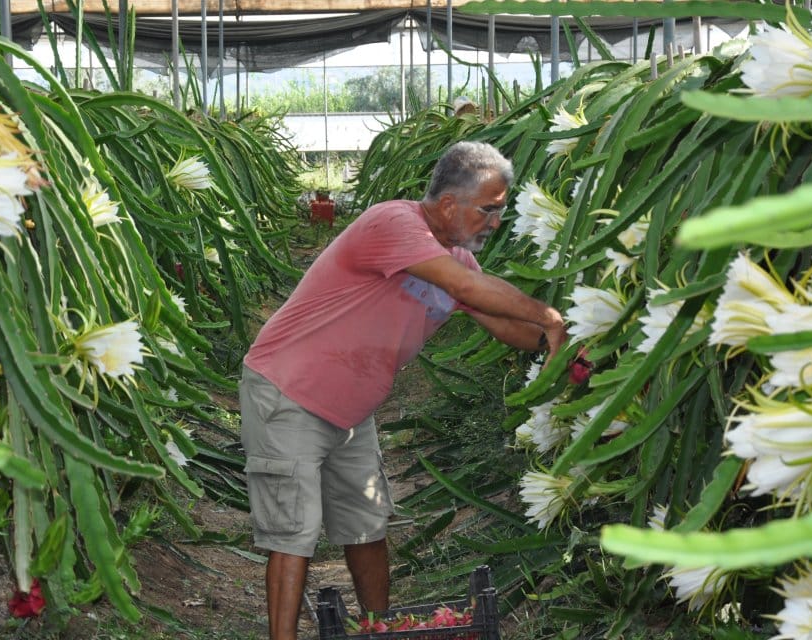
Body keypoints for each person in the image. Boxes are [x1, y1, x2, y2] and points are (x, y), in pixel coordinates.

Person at [239, 141, 569, 640]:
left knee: (367, 525)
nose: (494, 223)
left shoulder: (456, 260)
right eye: (489, 210)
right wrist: (548, 316)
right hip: (288, 393)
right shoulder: (393, 224)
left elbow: (504, 323)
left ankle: (378, 631)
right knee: (293, 534)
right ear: (449, 205)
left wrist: (561, 341)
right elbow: (472, 292)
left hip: (351, 410)